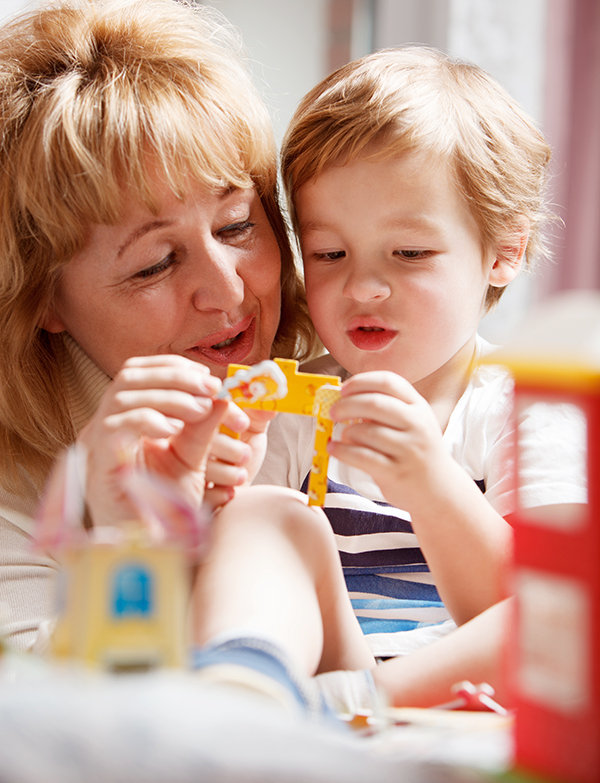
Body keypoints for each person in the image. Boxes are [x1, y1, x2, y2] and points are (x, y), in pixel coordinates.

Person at [251, 46, 587, 705]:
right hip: (321, 676)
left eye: (409, 253)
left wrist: (430, 483)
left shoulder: (523, 408)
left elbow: (543, 614)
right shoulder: (295, 405)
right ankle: (249, 691)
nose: (364, 285)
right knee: (255, 522)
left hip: (439, 692)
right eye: (329, 253)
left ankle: (351, 701)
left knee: (574, 599)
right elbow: (247, 573)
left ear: (504, 252)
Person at [0, 0, 317, 651]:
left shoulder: (341, 376)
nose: (229, 288)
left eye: (236, 225)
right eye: (154, 264)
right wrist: (135, 542)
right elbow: (47, 719)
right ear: (43, 302)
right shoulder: (17, 483)